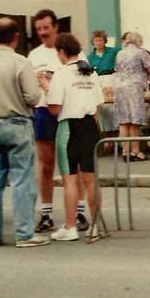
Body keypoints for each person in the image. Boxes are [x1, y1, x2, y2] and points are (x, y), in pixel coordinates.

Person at [0, 17, 49, 247]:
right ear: (16, 37)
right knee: (22, 178)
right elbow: (33, 97)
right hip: (16, 123)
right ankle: (24, 233)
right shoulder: (20, 62)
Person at [46, 32, 104, 242]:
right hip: (89, 125)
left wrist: (46, 87)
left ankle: (70, 227)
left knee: (69, 179)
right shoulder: (90, 73)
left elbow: (54, 107)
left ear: (62, 52)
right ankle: (95, 225)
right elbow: (97, 106)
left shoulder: (61, 73)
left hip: (68, 126)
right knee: (91, 179)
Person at [27, 9, 64, 234]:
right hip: (42, 112)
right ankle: (47, 214)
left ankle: (78, 212)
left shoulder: (70, 50)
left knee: (72, 165)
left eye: (46, 28)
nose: (42, 32)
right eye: (39, 29)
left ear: (55, 27)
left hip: (65, 112)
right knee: (46, 165)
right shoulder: (34, 55)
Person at [113, 31, 150, 162]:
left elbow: (116, 70)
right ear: (138, 40)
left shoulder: (120, 53)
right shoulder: (141, 52)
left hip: (119, 87)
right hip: (134, 87)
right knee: (134, 120)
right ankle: (136, 151)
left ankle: (125, 151)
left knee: (123, 121)